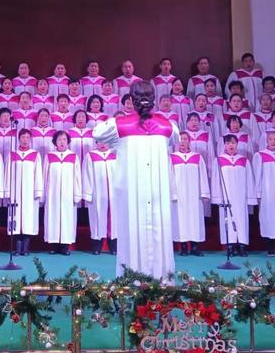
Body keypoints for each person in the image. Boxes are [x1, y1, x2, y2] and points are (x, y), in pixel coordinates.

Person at [93, 81, 179, 279]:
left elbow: (97, 132)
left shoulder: (121, 125)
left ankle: (145, 280)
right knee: (144, 234)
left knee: (144, 233)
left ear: (131, 100)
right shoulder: (167, 126)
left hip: (144, 193)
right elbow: (96, 133)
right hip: (142, 194)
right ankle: (151, 280)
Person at [211, 135, 257, 257]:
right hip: (226, 196)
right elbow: (216, 179)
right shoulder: (219, 160)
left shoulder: (244, 160)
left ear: (237, 144)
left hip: (241, 196)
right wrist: (217, 197)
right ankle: (230, 246)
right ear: (224, 145)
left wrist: (250, 197)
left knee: (242, 220)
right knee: (227, 219)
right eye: (228, 143)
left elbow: (250, 180)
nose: (231, 145)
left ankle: (242, 245)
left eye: (233, 143)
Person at [43, 131, 83, 256]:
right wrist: (44, 194)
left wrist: (77, 194)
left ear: (68, 142)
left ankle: (65, 246)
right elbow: (44, 176)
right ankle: (54, 245)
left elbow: (77, 176)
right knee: (53, 217)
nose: (62, 142)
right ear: (55, 142)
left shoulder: (73, 157)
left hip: (68, 194)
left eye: (64, 139)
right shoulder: (49, 156)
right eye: (59, 139)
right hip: (52, 193)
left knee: (67, 218)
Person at [170, 132, 210, 257]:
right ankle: (182, 247)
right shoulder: (172, 157)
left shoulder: (197, 157)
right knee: (181, 219)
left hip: (194, 194)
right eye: (180, 139)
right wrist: (173, 193)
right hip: (180, 194)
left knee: (194, 219)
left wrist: (204, 192)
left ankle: (194, 247)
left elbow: (203, 175)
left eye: (185, 139)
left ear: (189, 141)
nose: (183, 141)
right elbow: (170, 177)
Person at [5, 129, 43, 256]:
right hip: (15, 191)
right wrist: (7, 191)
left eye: (27, 137)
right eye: (23, 137)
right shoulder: (12, 154)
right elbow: (8, 173)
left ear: (30, 139)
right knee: (15, 219)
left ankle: (26, 248)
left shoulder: (35, 154)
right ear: (19, 138)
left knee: (28, 220)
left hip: (29, 193)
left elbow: (38, 173)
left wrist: (38, 191)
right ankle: (17, 248)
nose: (25, 140)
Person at [82, 140, 117, 255]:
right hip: (97, 193)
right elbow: (86, 175)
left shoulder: (115, 154)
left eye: (106, 142)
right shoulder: (91, 156)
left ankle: (114, 247)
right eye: (100, 142)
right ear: (96, 143)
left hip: (114, 194)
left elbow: (121, 174)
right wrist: (87, 193)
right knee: (97, 218)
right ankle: (97, 246)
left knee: (114, 220)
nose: (103, 144)